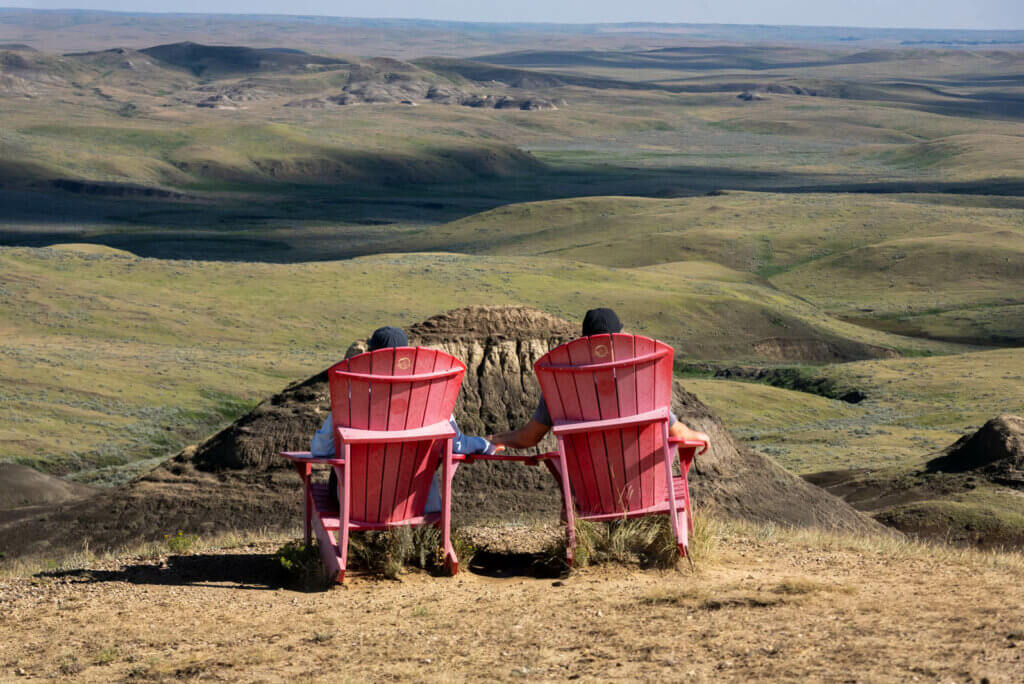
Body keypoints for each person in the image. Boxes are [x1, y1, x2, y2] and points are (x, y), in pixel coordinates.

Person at [312, 326, 497, 512]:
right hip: (417, 504)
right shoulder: (433, 401)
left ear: (370, 358)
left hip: (355, 505)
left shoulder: (351, 402)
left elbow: (320, 450)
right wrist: (486, 444)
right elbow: (458, 445)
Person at [489, 308, 711, 449]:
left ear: (585, 343)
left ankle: (572, 519)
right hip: (643, 490)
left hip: (588, 495)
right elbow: (678, 433)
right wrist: (701, 436)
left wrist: (494, 439)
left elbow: (529, 438)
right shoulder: (641, 382)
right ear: (619, 340)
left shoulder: (561, 387)